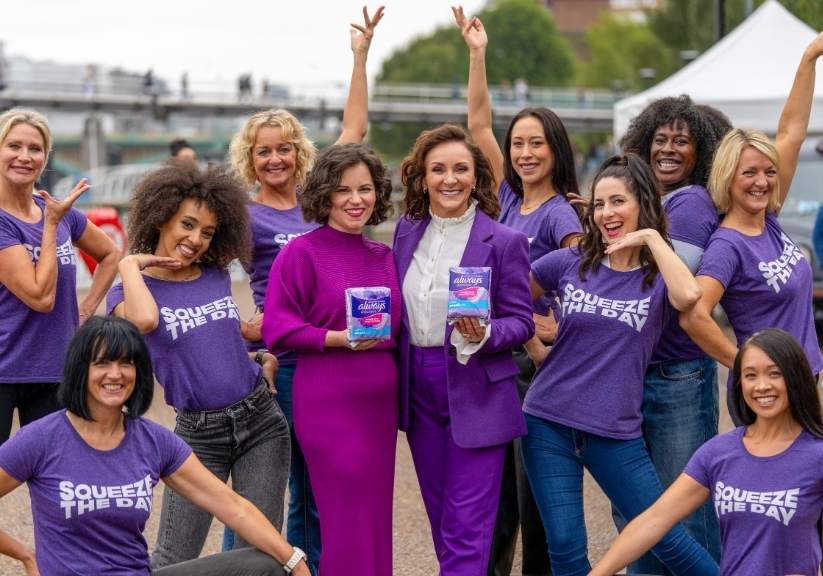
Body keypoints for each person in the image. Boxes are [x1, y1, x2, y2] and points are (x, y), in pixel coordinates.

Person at [227, 7, 384, 571]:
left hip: (340, 352)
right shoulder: (243, 216)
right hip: (286, 357)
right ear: (251, 159)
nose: (274, 158)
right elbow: (225, 282)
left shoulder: (321, 201)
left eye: (283, 148)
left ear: (299, 152)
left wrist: (360, 57)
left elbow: (355, 130)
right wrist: (253, 334)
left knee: (325, 486)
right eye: (263, 151)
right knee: (291, 482)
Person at [522, 154, 719, 575]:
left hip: (615, 433)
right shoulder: (569, 263)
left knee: (668, 538)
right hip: (548, 423)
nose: (606, 213)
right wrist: (537, 349)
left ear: (643, 204)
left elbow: (689, 298)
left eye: (617, 202)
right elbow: (510, 297)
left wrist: (650, 237)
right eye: (598, 204)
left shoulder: (659, 276)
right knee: (565, 549)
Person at [0, 315, 309, 576]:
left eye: (126, 363)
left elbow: (233, 507)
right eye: (102, 363)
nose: (115, 374)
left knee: (267, 563)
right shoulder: (42, 439)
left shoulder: (153, 440)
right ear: (81, 370)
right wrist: (26, 554)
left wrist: (295, 562)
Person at [106, 162, 291, 568]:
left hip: (260, 421)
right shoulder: (129, 290)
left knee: (259, 554)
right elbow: (144, 322)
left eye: (207, 232)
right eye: (187, 225)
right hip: (198, 435)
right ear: (161, 217)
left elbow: (214, 339)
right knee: (173, 556)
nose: (196, 240)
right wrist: (129, 264)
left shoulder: (215, 274)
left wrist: (258, 356)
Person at [453, 8, 583, 574]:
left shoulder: (563, 215)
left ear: (556, 148)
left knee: (535, 504)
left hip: (539, 367)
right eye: (519, 144)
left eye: (537, 144)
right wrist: (478, 56)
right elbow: (479, 125)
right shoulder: (508, 197)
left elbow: (584, 277)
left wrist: (550, 328)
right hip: (501, 360)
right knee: (499, 499)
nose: (526, 153)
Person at [393, 124, 534, 574]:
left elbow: (522, 322)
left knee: (468, 523)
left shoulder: (504, 241)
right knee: (440, 518)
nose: (449, 179)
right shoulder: (405, 232)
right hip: (418, 383)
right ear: (422, 177)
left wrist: (486, 333)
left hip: (478, 387)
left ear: (477, 176)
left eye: (460, 169)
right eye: (438, 169)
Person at [261, 142, 398, 576]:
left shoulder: (385, 256)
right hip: (328, 400)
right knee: (339, 519)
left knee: (376, 515)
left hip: (379, 405)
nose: (356, 200)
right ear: (325, 195)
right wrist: (335, 338)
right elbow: (277, 328)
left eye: (365, 189)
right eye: (344, 190)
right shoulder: (301, 252)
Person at [590, 329, 823, 576]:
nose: (762, 386)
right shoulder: (718, 453)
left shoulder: (816, 455)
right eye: (750, 375)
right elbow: (653, 521)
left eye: (775, 373)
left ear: (795, 378)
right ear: (739, 383)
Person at [614, 96, 731, 572]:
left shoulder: (689, 203)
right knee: (642, 512)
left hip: (674, 378)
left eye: (680, 141)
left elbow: (652, 290)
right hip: (642, 375)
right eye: (659, 139)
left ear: (700, 152)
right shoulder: (652, 204)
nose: (667, 149)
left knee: (681, 514)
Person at [680, 32, 823, 418]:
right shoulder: (727, 245)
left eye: (768, 172)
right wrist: (747, 365)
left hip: (808, 384)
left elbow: (791, 133)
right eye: (750, 173)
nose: (762, 181)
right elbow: (693, 314)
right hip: (773, 400)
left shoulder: (769, 220)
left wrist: (810, 55)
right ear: (728, 177)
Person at [0, 109, 119, 445]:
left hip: (56, 368)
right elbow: (40, 297)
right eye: (14, 146)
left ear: (45, 157)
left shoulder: (57, 210)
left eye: (35, 149)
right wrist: (50, 225)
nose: (24, 157)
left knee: (55, 478)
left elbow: (110, 255)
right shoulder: (34, 218)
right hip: (4, 369)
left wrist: (86, 310)